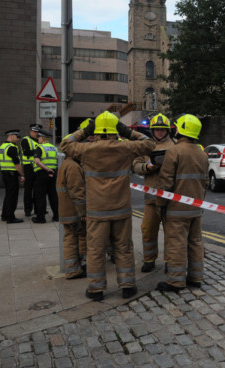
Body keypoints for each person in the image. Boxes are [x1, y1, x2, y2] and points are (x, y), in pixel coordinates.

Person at [60, 111, 155, 301]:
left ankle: (96, 289)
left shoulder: (87, 150)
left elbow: (65, 144)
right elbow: (149, 143)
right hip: (121, 210)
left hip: (97, 211)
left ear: (96, 131)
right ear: (115, 130)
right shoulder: (125, 147)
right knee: (124, 247)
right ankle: (127, 285)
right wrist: (128, 132)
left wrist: (85, 132)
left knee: (95, 249)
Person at [155, 114, 209, 292]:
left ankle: (176, 281)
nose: (175, 130)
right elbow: (205, 183)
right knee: (195, 242)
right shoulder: (201, 152)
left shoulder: (175, 151)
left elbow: (165, 182)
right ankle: (196, 278)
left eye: (177, 127)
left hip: (177, 210)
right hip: (196, 208)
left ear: (182, 130)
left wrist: (160, 205)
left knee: (176, 244)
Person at [132, 113, 175, 273]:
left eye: (162, 130)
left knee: (171, 231)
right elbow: (135, 165)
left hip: (170, 197)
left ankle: (170, 261)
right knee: (148, 229)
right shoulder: (146, 146)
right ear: (152, 130)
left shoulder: (175, 147)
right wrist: (146, 168)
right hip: (151, 198)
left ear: (167, 131)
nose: (159, 133)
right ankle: (149, 259)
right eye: (156, 130)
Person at [57, 131, 87, 280]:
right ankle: (73, 270)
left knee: (73, 237)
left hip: (66, 209)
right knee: (73, 239)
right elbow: (77, 192)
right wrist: (83, 213)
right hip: (73, 210)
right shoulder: (73, 167)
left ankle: (76, 266)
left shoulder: (66, 164)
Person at [31, 129, 59, 224]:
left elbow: (37, 161)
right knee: (53, 196)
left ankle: (41, 218)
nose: (37, 139)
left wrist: (46, 169)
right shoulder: (54, 148)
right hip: (53, 174)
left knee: (40, 196)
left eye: (38, 137)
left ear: (42, 138)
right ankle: (56, 216)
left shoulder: (40, 148)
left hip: (42, 174)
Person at [0, 129, 25, 223]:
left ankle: (4, 215)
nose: (18, 139)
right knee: (12, 197)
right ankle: (10, 217)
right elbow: (17, 164)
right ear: (11, 136)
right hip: (11, 175)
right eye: (17, 137)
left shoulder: (2, 146)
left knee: (8, 195)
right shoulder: (12, 147)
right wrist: (22, 175)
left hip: (5, 174)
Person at [20, 124, 41, 218]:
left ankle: (38, 209)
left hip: (38, 167)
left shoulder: (40, 140)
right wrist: (38, 151)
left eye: (37, 132)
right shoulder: (25, 140)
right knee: (28, 189)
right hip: (29, 167)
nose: (36, 133)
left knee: (38, 189)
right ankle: (28, 210)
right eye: (34, 131)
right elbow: (26, 152)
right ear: (30, 131)